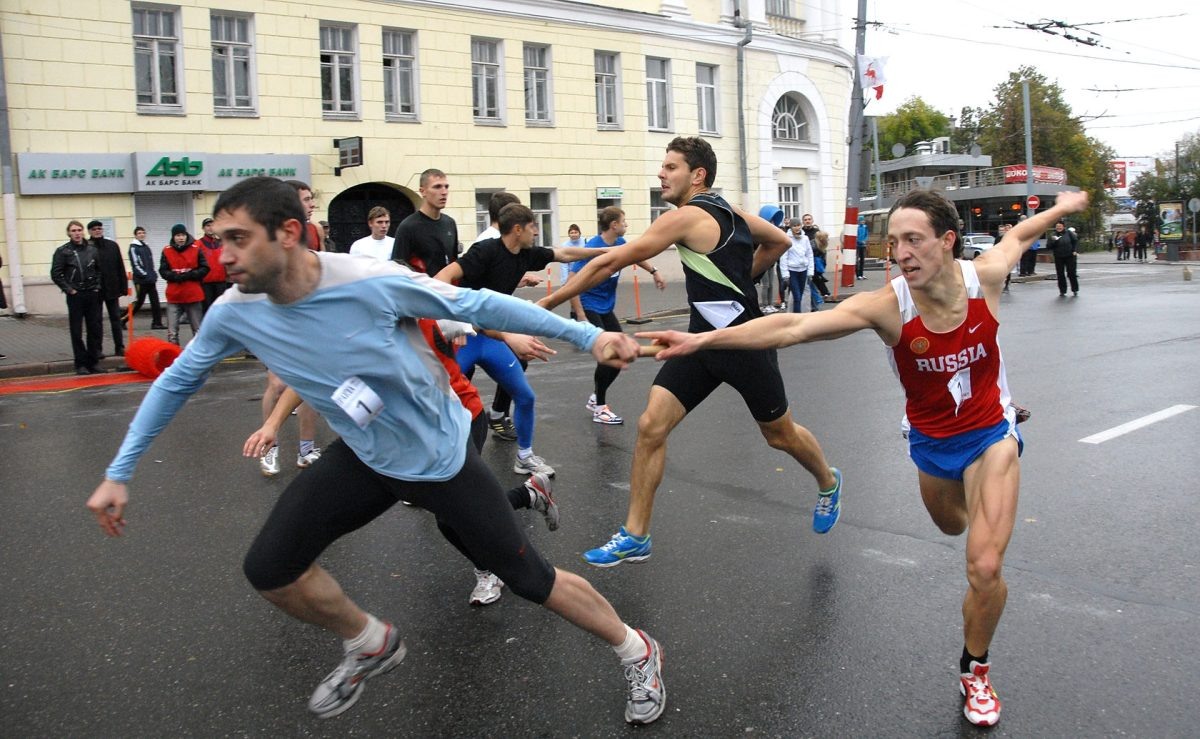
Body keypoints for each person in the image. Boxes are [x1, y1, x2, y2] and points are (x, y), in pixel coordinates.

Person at [85, 176, 665, 724]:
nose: (224, 255)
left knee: (531, 580)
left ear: (287, 233)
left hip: (438, 459)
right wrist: (119, 472)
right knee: (270, 568)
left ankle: (636, 649)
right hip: (364, 455)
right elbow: (176, 382)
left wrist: (591, 336)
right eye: (219, 240)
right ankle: (369, 642)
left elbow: (480, 305)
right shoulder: (236, 311)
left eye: (237, 239)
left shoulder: (367, 281)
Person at [639, 187, 1091, 727]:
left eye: (914, 240)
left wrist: (1063, 206)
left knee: (985, 563)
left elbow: (1018, 233)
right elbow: (792, 326)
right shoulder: (888, 306)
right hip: (930, 443)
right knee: (951, 527)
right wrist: (700, 343)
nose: (900, 253)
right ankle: (980, 513)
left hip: (991, 433)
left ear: (947, 242)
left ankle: (976, 668)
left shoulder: (984, 278)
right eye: (894, 241)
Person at [537, 136, 843, 567]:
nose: (661, 173)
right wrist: (739, 284)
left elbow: (609, 263)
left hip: (744, 342)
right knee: (651, 424)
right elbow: (777, 242)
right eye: (663, 166)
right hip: (698, 341)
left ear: (697, 175)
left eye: (670, 166)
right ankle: (635, 534)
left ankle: (828, 481)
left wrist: (544, 306)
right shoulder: (729, 211)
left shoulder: (687, 216)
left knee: (780, 435)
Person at [435, 203, 611, 476]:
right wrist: (455, 321)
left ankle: (525, 457)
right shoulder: (485, 251)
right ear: (518, 230)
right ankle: (428, 472)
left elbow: (563, 253)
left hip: (491, 336)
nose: (537, 234)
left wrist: (605, 251)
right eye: (533, 228)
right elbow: (441, 278)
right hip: (465, 336)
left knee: (525, 397)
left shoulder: (525, 254)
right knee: (442, 403)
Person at [567, 206, 665, 425]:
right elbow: (572, 281)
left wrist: (654, 271)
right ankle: (600, 407)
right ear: (614, 225)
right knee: (609, 353)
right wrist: (581, 315)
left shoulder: (619, 243)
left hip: (606, 307)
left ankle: (596, 399)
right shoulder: (593, 247)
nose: (626, 225)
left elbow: (636, 255)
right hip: (589, 305)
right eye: (624, 221)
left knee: (620, 352)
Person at [257, 180, 327, 475]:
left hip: (309, 313)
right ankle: (268, 448)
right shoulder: (268, 236)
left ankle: (306, 450)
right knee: (277, 383)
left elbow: (321, 267)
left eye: (312, 199)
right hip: (276, 315)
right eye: (307, 199)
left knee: (308, 384)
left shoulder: (314, 231)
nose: (312, 204)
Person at [50, 220, 106, 375]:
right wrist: (69, 290)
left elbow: (99, 270)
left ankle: (93, 362)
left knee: (94, 329)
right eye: (73, 230)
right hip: (76, 295)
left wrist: (97, 287)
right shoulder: (63, 251)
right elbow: (56, 274)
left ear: (83, 232)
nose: (77, 233)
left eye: (79, 230)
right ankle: (80, 363)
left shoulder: (92, 249)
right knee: (76, 330)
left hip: (92, 293)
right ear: (69, 233)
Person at [391, 168, 459, 276]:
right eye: (437, 187)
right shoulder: (408, 227)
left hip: (448, 291)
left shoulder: (450, 223)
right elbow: (397, 269)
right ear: (423, 191)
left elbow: (453, 261)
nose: (444, 192)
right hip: (422, 290)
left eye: (446, 187)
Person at [158, 224, 208, 346]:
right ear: (173, 237)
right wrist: (175, 276)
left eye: (183, 235)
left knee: (197, 329)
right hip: (174, 295)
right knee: (172, 331)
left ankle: (199, 354)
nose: (181, 238)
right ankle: (174, 354)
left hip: (192, 294)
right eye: (178, 235)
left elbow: (205, 268)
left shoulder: (196, 249)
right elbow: (163, 270)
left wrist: (190, 275)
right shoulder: (167, 250)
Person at [88, 220, 128, 357]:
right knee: (96, 321)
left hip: (112, 288)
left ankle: (119, 347)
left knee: (116, 319)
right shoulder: (87, 247)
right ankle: (97, 349)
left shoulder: (112, 246)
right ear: (89, 232)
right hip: (95, 290)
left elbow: (120, 266)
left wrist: (123, 286)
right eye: (94, 229)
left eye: (99, 228)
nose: (97, 231)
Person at [128, 226, 165, 329]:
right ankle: (123, 319)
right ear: (135, 235)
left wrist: (153, 274)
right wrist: (145, 275)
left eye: (143, 233)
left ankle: (157, 323)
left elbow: (150, 263)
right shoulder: (133, 247)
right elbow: (135, 265)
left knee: (155, 302)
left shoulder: (146, 246)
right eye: (139, 233)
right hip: (141, 281)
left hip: (150, 280)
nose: (142, 235)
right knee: (139, 303)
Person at [197, 217, 228, 312]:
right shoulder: (198, 244)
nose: (210, 228)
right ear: (203, 228)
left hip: (221, 282)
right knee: (207, 311)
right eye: (208, 225)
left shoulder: (221, 243)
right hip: (206, 283)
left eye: (213, 225)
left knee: (221, 310)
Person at [782, 217, 812, 313]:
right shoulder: (787, 239)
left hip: (803, 270)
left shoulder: (805, 238)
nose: (797, 227)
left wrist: (810, 271)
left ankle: (796, 315)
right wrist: (785, 274)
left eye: (798, 225)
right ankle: (797, 318)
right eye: (794, 226)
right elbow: (783, 257)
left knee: (801, 295)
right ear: (791, 227)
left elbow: (809, 255)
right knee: (797, 296)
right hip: (792, 271)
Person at [1048, 219, 1079, 297]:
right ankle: (1062, 290)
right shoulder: (1053, 235)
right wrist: (1054, 241)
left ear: (1063, 227)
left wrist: (1074, 250)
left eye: (1060, 226)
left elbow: (1075, 241)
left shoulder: (1069, 233)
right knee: (1060, 274)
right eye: (1057, 226)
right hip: (1059, 256)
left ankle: (1075, 289)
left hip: (1070, 256)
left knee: (1071, 273)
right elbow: (1048, 246)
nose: (1058, 228)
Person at [856, 214, 868, 279]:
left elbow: (866, 234)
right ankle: (858, 275)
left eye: (863, 220)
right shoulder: (857, 227)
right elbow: (856, 236)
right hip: (858, 245)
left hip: (863, 245)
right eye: (861, 220)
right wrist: (860, 241)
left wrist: (865, 240)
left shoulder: (865, 227)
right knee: (857, 260)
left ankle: (862, 274)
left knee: (862, 260)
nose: (863, 221)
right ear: (859, 221)